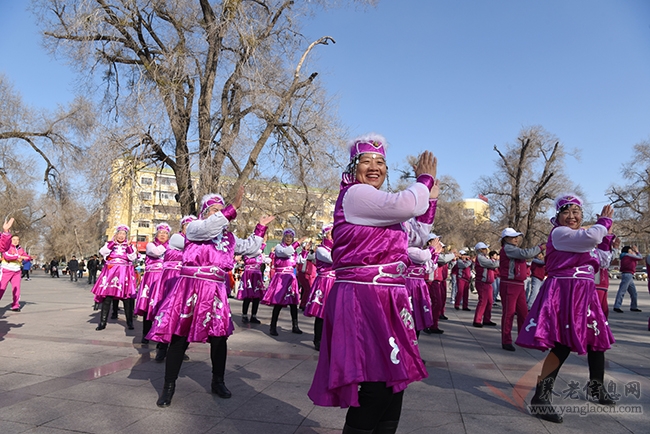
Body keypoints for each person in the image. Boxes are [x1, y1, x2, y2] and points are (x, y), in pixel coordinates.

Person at [308, 133, 438, 434]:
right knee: (375, 387)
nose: (374, 166)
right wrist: (425, 180)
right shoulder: (355, 195)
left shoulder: (379, 207)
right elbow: (407, 204)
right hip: (363, 298)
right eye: (366, 161)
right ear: (353, 169)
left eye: (380, 162)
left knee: (395, 386)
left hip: (388, 298)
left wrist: (430, 201)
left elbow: (415, 236)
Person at [147, 191, 274, 407]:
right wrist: (231, 208)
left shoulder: (229, 238)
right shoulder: (194, 229)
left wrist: (260, 227)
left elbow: (251, 248)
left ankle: (218, 381)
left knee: (219, 338)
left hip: (215, 291)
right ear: (205, 213)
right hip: (190, 289)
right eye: (214, 211)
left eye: (221, 211)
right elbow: (208, 228)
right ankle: (168, 386)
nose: (220, 215)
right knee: (179, 337)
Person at [516, 195, 616, 423]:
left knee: (596, 341)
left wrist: (606, 239)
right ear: (558, 217)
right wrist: (604, 224)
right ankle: (541, 397)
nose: (572, 217)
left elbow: (602, 261)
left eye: (576, 213)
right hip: (564, 293)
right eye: (566, 213)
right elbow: (591, 235)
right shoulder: (560, 234)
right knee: (562, 344)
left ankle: (596, 387)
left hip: (585, 294)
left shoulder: (579, 239)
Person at [152, 215, 196, 363]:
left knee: (185, 315)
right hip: (171, 281)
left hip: (188, 282)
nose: (190, 228)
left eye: (193, 225)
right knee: (168, 313)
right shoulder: (176, 239)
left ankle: (180, 348)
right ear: (182, 227)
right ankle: (162, 347)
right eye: (187, 225)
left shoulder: (197, 242)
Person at [498, 227, 544, 352]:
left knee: (523, 313)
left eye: (516, 236)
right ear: (506, 239)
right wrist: (540, 247)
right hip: (509, 283)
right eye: (513, 237)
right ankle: (506, 340)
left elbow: (525, 255)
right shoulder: (508, 248)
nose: (516, 239)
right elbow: (526, 254)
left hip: (518, 284)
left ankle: (524, 337)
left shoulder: (513, 249)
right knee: (509, 313)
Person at [92, 225, 138, 331]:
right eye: (119, 234)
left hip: (124, 274)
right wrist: (112, 243)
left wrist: (129, 246)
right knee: (107, 298)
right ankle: (102, 322)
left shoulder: (129, 246)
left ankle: (129, 322)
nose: (121, 236)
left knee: (126, 299)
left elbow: (133, 258)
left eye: (123, 234)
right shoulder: (109, 244)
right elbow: (102, 252)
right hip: (111, 273)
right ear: (116, 235)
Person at [262, 228, 304, 336]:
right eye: (287, 236)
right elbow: (285, 253)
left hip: (291, 278)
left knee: (293, 303)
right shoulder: (280, 248)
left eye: (291, 237)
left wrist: (305, 251)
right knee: (279, 302)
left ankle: (295, 326)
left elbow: (300, 261)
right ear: (283, 237)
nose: (289, 239)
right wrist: (297, 244)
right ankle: (273, 326)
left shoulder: (294, 251)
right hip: (281, 278)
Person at [135, 223, 171, 344]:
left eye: (165, 233)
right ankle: (145, 333)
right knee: (148, 306)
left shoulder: (172, 247)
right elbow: (155, 252)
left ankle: (161, 336)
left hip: (165, 278)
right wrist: (168, 245)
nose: (163, 235)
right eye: (160, 233)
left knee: (163, 306)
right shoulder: (151, 245)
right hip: (151, 278)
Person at [303, 225, 334, 351]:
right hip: (324, 281)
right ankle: (318, 340)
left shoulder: (338, 247)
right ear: (326, 235)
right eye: (332, 233)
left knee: (334, 312)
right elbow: (332, 259)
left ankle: (331, 339)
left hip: (335, 282)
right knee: (321, 312)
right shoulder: (321, 249)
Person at [424, 235, 454, 334]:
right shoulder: (428, 252)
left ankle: (432, 324)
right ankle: (430, 324)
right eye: (436, 241)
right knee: (435, 303)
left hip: (435, 281)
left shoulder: (434, 253)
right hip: (431, 281)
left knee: (436, 303)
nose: (439, 243)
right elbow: (443, 259)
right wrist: (453, 255)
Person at [237, 239, 268, 325]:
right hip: (249, 275)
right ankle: (244, 315)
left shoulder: (260, 253)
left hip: (257, 275)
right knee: (248, 295)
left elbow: (264, 260)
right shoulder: (248, 251)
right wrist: (263, 244)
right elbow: (249, 258)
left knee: (257, 296)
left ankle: (254, 315)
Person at [0, 235, 32, 312]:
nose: (15, 241)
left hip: (17, 271)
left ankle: (15, 305)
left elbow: (28, 257)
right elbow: (7, 256)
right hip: (6, 270)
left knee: (16, 288)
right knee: (1, 288)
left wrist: (24, 259)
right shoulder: (7, 247)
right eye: (14, 239)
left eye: (17, 239)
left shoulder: (20, 249)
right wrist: (18, 257)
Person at [473, 242, 498, 328]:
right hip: (482, 282)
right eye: (484, 249)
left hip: (488, 283)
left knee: (490, 302)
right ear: (480, 250)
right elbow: (493, 264)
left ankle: (487, 319)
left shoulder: (484, 257)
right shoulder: (480, 258)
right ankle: (477, 320)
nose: (486, 250)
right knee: (483, 301)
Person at [613, 245, 643, 313]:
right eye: (630, 250)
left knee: (633, 292)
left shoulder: (625, 256)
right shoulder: (628, 255)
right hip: (628, 274)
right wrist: (637, 251)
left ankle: (634, 306)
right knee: (622, 291)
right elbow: (640, 257)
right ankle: (617, 306)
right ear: (627, 251)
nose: (632, 252)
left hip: (628, 274)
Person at [595, 234, 618, 319]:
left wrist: (615, 248)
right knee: (598, 308)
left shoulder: (603, 253)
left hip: (603, 283)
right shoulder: (595, 251)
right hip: (597, 283)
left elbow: (610, 258)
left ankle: (603, 326)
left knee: (603, 309)